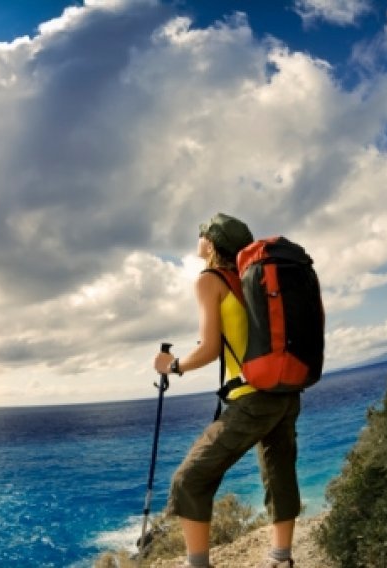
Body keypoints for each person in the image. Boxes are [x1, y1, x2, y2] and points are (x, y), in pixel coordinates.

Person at [153, 213, 301, 568]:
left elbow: (208, 350)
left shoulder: (210, 280)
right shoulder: (257, 278)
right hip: (286, 391)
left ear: (212, 243)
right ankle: (281, 559)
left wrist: (171, 366)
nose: (198, 237)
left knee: (190, 479)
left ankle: (198, 564)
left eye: (202, 233)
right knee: (280, 472)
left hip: (251, 399)